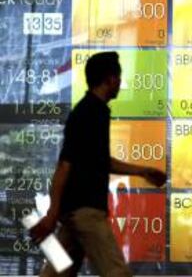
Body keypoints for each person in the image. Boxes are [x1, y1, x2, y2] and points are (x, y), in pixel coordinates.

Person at [31, 52, 166, 277]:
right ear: (110, 79)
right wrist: (51, 214)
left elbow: (101, 161)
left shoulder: (90, 111)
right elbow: (64, 165)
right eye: (118, 77)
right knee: (117, 272)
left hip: (73, 216)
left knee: (54, 274)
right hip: (86, 214)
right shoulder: (90, 113)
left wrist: (142, 171)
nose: (120, 83)